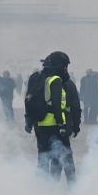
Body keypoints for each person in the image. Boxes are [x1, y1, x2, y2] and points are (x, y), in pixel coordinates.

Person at [27, 51, 78, 185]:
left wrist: (29, 122)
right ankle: (72, 189)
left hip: (40, 125)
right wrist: (67, 125)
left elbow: (29, 101)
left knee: (43, 157)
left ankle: (42, 189)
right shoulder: (58, 81)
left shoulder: (37, 79)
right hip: (56, 125)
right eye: (65, 66)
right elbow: (67, 105)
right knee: (66, 158)